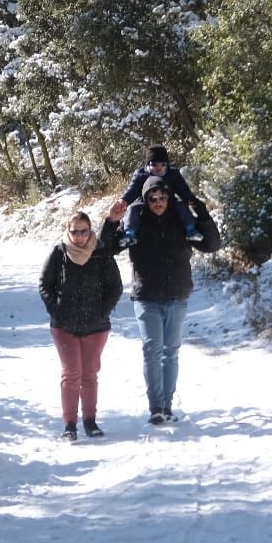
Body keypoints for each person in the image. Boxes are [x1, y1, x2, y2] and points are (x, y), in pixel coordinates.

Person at [102, 181, 222, 425]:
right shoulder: (135, 222)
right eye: (153, 198)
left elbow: (212, 245)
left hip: (177, 297)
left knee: (171, 352)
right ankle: (155, 406)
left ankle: (167, 404)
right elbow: (107, 247)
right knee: (152, 351)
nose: (158, 202)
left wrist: (203, 215)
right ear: (146, 199)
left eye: (162, 198)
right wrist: (112, 221)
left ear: (169, 199)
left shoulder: (181, 221)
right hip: (146, 297)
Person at [40, 211, 123, 441]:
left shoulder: (101, 254)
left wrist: (102, 312)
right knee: (71, 373)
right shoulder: (59, 253)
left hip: (96, 327)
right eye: (74, 231)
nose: (79, 236)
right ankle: (69, 424)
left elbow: (115, 287)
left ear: (90, 230)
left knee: (89, 374)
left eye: (83, 231)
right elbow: (44, 285)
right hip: (64, 326)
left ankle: (90, 421)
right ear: (68, 231)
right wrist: (57, 311)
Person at [111, 145, 204, 245]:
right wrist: (124, 200)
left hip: (169, 201)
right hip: (144, 202)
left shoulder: (173, 174)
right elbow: (133, 189)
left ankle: (191, 229)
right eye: (154, 164)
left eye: (162, 164)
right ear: (148, 165)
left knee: (182, 206)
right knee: (133, 209)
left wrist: (191, 199)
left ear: (167, 165)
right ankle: (130, 234)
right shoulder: (141, 175)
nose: (159, 168)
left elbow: (183, 189)